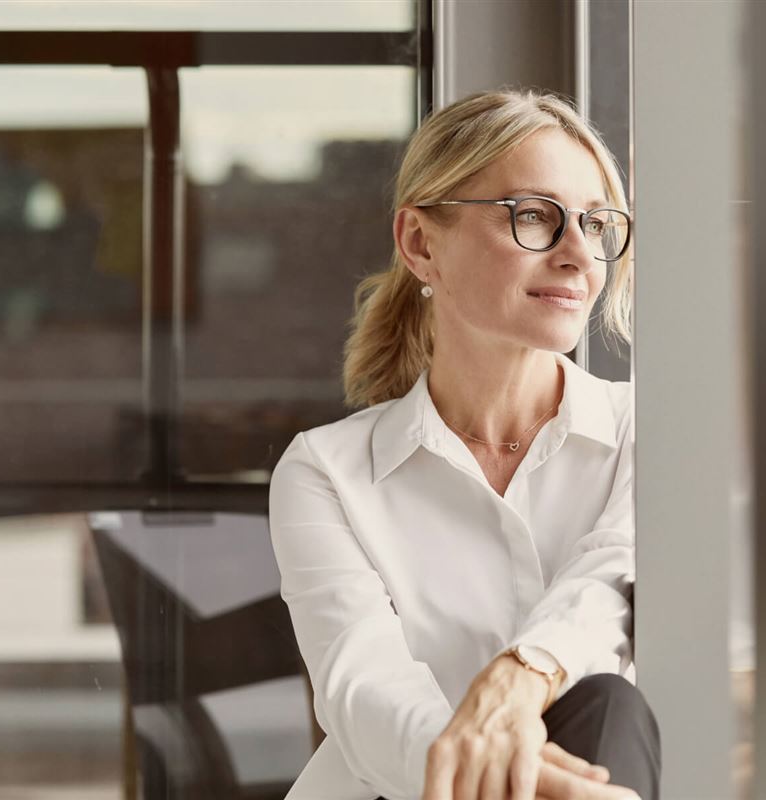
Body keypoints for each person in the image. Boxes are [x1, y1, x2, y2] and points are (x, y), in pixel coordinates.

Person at [268, 89, 660, 800]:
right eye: (535, 217)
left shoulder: (651, 432)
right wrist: (528, 784)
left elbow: (617, 579)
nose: (579, 254)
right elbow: (366, 693)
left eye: (597, 224)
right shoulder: (325, 470)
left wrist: (519, 677)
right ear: (421, 244)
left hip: (600, 764)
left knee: (608, 704)